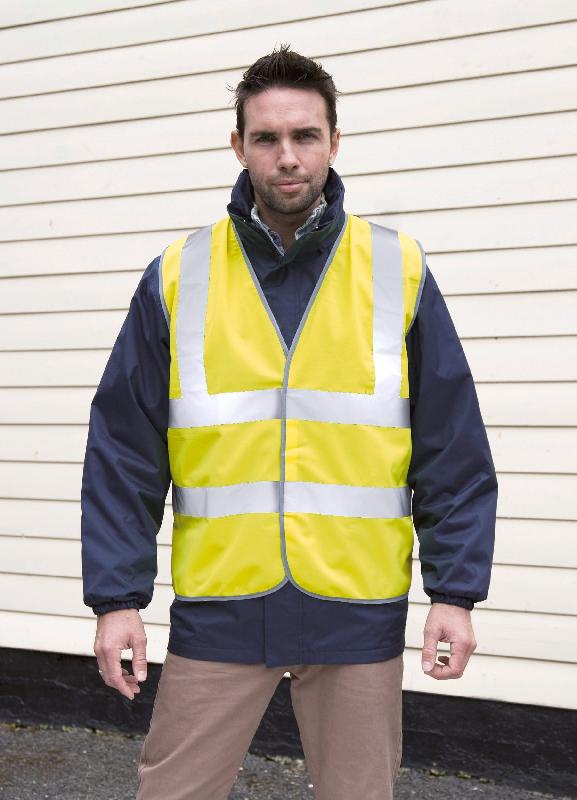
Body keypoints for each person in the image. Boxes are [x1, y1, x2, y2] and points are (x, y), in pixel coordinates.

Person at [81, 44, 498, 800]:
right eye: (266, 138)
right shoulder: (179, 274)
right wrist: (116, 600)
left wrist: (455, 592)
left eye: (304, 136)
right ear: (237, 145)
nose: (286, 157)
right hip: (221, 610)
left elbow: (451, 445)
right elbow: (123, 450)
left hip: (355, 611)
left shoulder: (395, 267)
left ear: (334, 142)